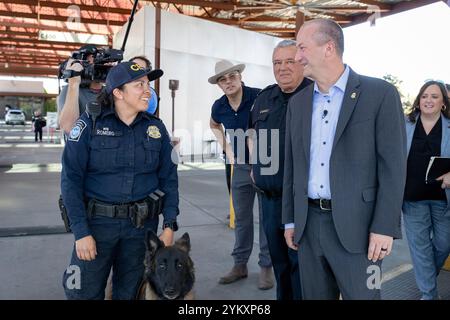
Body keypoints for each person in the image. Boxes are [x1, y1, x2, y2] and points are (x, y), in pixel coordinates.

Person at [282, 18, 407, 299]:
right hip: (308, 228)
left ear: (329, 48)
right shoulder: (298, 103)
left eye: (302, 48)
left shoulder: (380, 94)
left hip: (361, 232)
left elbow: (393, 168)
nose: (297, 56)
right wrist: (290, 220)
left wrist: (385, 226)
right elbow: (293, 167)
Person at [60, 61, 178, 300]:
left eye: (148, 84)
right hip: (97, 227)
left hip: (141, 227)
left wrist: (169, 224)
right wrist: (81, 232)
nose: (148, 90)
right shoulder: (88, 124)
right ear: (118, 93)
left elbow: (169, 178)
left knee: (130, 292)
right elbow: (70, 180)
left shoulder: (156, 128)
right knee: (82, 292)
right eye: (139, 84)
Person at [249, 40, 312, 300]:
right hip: (271, 200)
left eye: (289, 61)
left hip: (302, 202)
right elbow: (253, 133)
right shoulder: (265, 98)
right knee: (281, 265)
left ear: (302, 62)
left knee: (303, 268)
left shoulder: (317, 95)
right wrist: (255, 166)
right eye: (277, 62)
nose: (282, 68)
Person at [208, 60, 274, 289]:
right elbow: (213, 124)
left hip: (266, 164)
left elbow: (270, 123)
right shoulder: (219, 106)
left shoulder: (258, 96)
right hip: (241, 168)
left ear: (240, 77)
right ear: (219, 85)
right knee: (242, 219)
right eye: (223, 80)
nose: (228, 82)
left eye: (232, 76)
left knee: (267, 217)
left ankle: (267, 266)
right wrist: (226, 148)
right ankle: (240, 265)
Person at [403, 80, 450, 300]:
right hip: (413, 199)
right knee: (420, 248)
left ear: (443, 103)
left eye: (434, 96)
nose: (428, 100)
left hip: (444, 199)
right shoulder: (405, 124)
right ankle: (429, 294)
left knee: (444, 243)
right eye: (424, 96)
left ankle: (427, 274)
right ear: (419, 100)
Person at [57, 45, 103, 133]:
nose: (97, 68)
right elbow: (69, 127)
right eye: (91, 64)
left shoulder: (112, 91)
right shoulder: (70, 90)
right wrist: (73, 83)